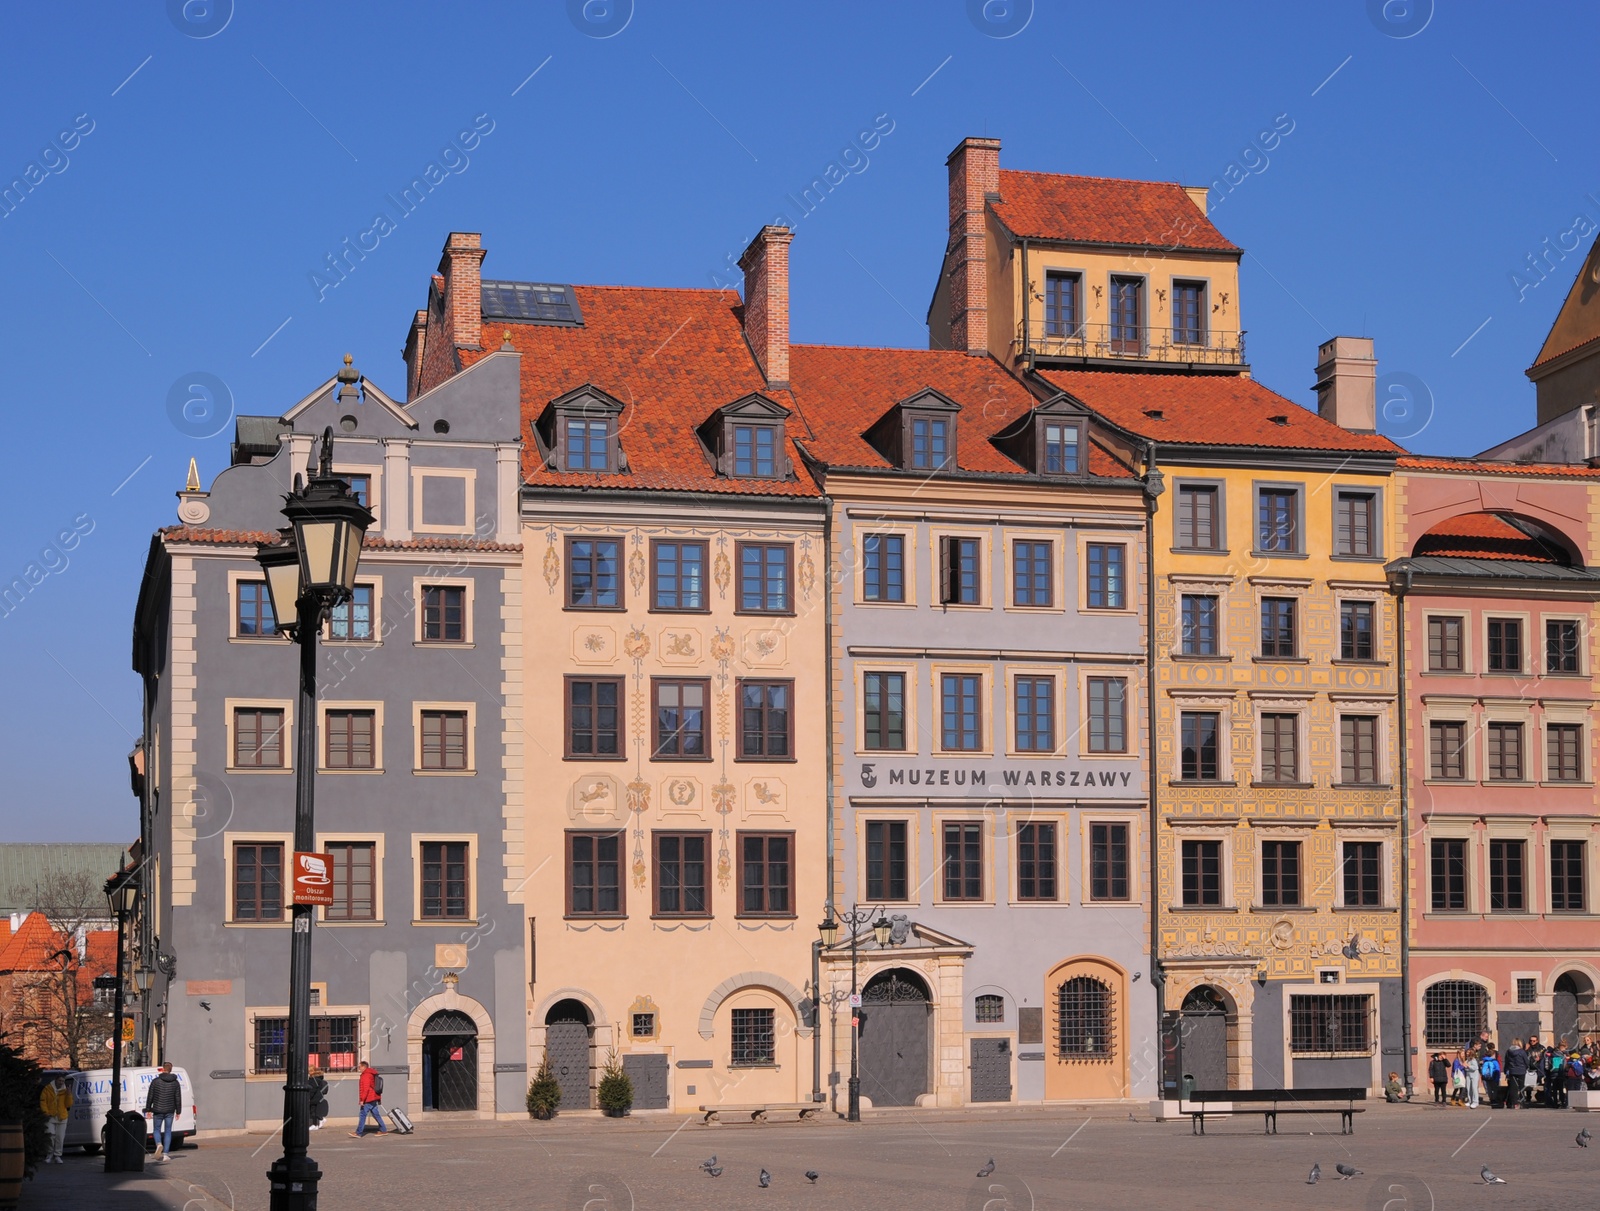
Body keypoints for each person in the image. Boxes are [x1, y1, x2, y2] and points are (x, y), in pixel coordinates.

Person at [144, 1061, 183, 1161]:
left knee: (156, 1129)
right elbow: (178, 1098)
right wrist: (178, 1111)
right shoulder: (175, 1083)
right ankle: (166, 1154)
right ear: (171, 1070)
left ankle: (158, 1144)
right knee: (168, 1131)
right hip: (170, 1110)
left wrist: (148, 1109)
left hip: (157, 1109)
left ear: (163, 1069)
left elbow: (150, 1096)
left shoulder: (155, 1081)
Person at [39, 1075, 73, 1163]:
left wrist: (69, 1094)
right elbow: (43, 1101)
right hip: (50, 1116)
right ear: (55, 1080)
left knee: (60, 1137)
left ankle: (57, 1155)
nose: (61, 1082)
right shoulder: (47, 1089)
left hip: (62, 1116)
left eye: (62, 1081)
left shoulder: (65, 1091)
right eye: (59, 1081)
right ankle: (49, 1154)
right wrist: (45, 1112)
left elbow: (68, 1104)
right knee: (50, 1135)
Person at [352, 1060, 388, 1138]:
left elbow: (365, 1089)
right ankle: (383, 1130)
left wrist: (362, 1100)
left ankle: (358, 1133)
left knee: (362, 1114)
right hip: (373, 1097)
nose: (359, 1068)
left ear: (364, 1067)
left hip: (368, 1098)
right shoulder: (371, 1073)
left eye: (360, 1066)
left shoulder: (366, 1075)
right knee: (376, 1114)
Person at [1504, 1038, 1528, 1109]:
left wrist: (1506, 1070)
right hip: (1521, 1071)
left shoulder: (1508, 1051)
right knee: (1521, 1087)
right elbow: (1526, 1061)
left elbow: (1507, 1062)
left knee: (1513, 1088)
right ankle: (1522, 1103)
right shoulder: (1522, 1052)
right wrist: (1526, 1067)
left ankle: (1514, 1103)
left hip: (1512, 1071)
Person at [309, 1067, 329, 1132]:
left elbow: (312, 1089)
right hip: (318, 1097)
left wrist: (308, 1097)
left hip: (314, 1097)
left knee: (313, 1111)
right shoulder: (318, 1079)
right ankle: (317, 1123)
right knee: (314, 1111)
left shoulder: (313, 1080)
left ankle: (316, 1124)